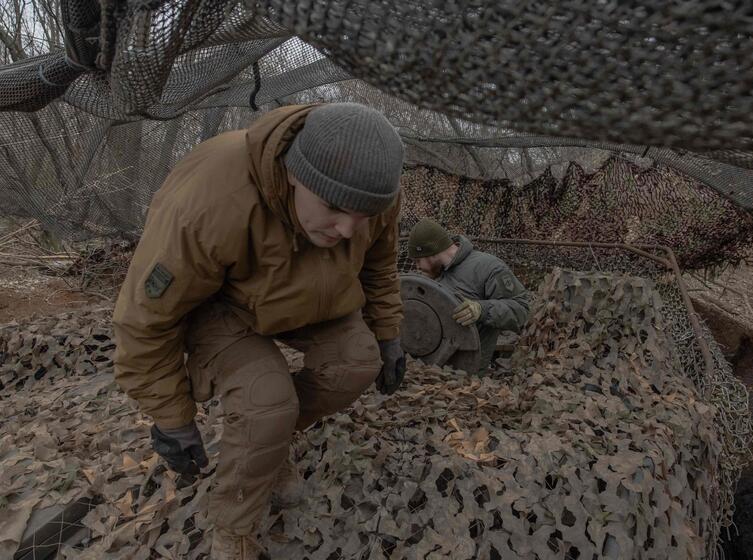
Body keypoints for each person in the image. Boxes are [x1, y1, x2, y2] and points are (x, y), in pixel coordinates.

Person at [112, 103, 407, 559]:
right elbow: (145, 317)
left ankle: (269, 447)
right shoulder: (210, 201)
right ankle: (233, 529)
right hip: (223, 304)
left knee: (356, 363)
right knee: (265, 398)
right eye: (332, 207)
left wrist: (388, 332)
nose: (349, 229)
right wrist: (171, 415)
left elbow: (379, 266)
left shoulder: (369, 195)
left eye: (363, 216)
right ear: (293, 175)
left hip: (311, 294)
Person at [407, 218, 529, 372]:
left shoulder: (487, 268)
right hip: (421, 368)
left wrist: (481, 310)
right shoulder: (430, 273)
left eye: (418, 260)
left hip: (466, 374)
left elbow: (522, 310)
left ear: (432, 251)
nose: (417, 267)